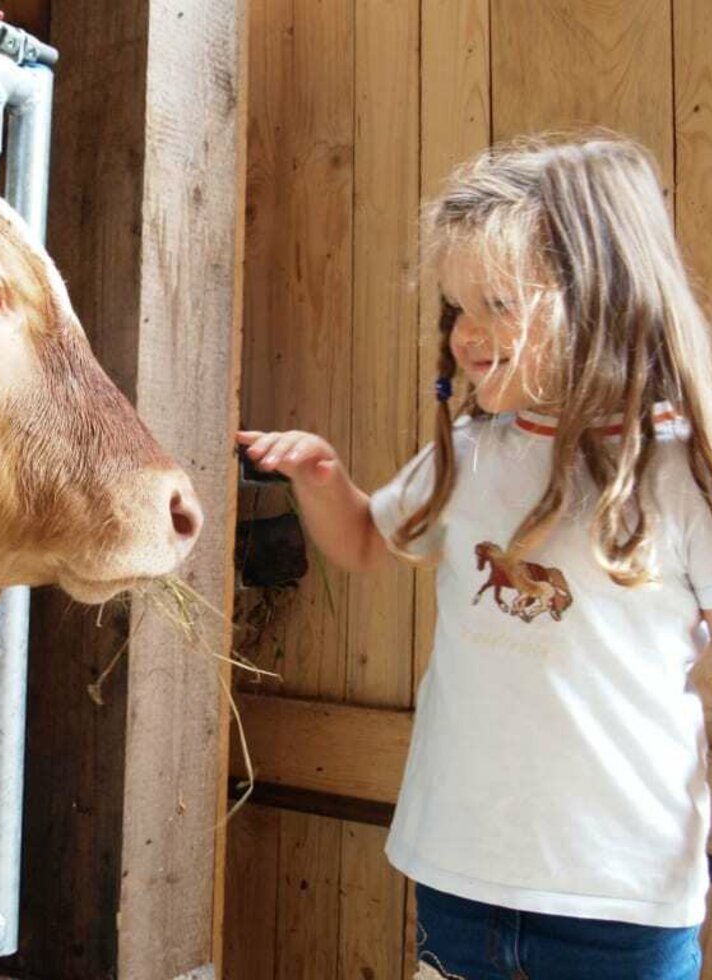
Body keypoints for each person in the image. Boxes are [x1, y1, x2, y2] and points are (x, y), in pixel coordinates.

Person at [238, 136, 712, 979]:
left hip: (620, 891)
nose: (465, 334)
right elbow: (362, 542)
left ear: (598, 299)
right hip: (460, 871)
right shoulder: (474, 449)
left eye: (497, 303)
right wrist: (321, 474)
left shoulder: (675, 471)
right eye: (457, 308)